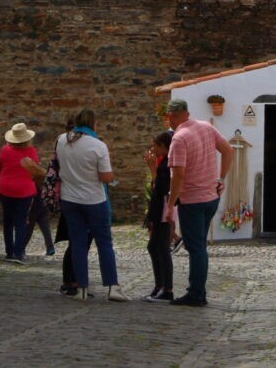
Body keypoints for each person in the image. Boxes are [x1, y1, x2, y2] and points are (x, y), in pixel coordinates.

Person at [165, 97, 234, 307]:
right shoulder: (206, 127)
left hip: (192, 199)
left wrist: (170, 205)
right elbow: (228, 150)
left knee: (196, 248)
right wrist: (221, 179)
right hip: (211, 197)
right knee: (199, 246)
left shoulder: (179, 139)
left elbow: (178, 175)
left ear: (170, 116)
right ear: (187, 113)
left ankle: (196, 293)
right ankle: (197, 291)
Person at [55, 107, 127, 301]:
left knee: (77, 243)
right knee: (104, 243)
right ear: (93, 124)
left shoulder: (61, 140)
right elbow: (106, 177)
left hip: (70, 198)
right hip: (94, 199)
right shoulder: (98, 145)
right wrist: (112, 178)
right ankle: (112, 286)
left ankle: (82, 288)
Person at [0, 121, 44, 262]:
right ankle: (18, 253)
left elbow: (0, 167)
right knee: (21, 221)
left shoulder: (4, 150)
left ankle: (9, 252)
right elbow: (34, 171)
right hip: (24, 190)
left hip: (5, 188)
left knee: (7, 220)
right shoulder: (31, 152)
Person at [143, 130, 175, 302]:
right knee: (154, 247)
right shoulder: (163, 161)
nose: (152, 149)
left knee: (161, 248)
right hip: (159, 209)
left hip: (163, 210)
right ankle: (160, 286)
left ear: (163, 146)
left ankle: (166, 289)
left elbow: (161, 187)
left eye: (155, 145)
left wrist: (153, 171)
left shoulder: (167, 164)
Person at [24, 130, 57, 259]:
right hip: (40, 194)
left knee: (31, 223)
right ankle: (50, 247)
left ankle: (22, 247)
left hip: (34, 195)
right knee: (43, 222)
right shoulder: (33, 154)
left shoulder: (29, 155)